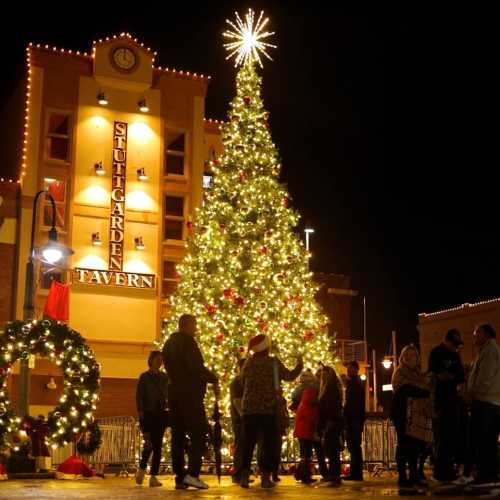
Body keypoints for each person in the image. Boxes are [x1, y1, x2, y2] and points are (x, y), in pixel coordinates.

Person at [162, 314, 219, 490]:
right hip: (190, 395)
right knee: (198, 433)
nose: (196, 329)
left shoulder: (168, 344)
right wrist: (213, 378)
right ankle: (192, 474)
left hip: (174, 394)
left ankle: (180, 477)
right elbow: (195, 367)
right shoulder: (187, 342)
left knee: (178, 437)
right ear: (187, 325)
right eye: (194, 325)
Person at [239, 334, 303, 489]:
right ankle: (265, 478)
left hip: (249, 410)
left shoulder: (248, 363)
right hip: (268, 410)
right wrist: (299, 365)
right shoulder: (273, 363)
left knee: (248, 444)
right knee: (267, 444)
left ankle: (244, 478)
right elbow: (289, 376)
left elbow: (241, 381)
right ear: (266, 347)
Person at [391, 345, 431, 491]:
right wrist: (424, 391)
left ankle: (414, 475)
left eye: (412, 355)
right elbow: (403, 390)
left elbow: (423, 388)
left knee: (414, 446)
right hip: (402, 413)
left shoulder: (418, 374)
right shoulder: (399, 372)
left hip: (416, 415)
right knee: (403, 445)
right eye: (406, 355)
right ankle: (402, 476)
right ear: (402, 357)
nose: (409, 357)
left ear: (417, 357)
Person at [428, 329, 465, 482]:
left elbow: (460, 376)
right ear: (446, 340)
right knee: (441, 437)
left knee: (451, 437)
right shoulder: (436, 353)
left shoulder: (455, 355)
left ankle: (448, 469)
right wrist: (449, 376)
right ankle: (440, 471)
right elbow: (435, 374)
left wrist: (448, 376)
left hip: (452, 400)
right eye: (453, 344)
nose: (455, 348)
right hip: (440, 401)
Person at [467, 324, 500, 487]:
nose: (474, 336)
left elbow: (484, 376)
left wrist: (472, 393)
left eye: (476, 333)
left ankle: (486, 475)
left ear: (485, 334)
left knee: (484, 439)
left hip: (485, 401)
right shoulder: (488, 350)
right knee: (487, 440)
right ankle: (489, 474)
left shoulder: (489, 351)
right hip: (488, 401)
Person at [135, 351, 169, 487]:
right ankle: (142, 469)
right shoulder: (144, 377)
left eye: (161, 360)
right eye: (157, 359)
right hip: (148, 414)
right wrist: (141, 411)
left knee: (158, 446)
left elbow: (167, 393)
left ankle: (154, 476)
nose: (159, 362)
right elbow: (139, 395)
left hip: (161, 414)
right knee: (149, 445)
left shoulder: (164, 377)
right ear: (151, 360)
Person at [292, 370, 320, 484]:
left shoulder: (303, 400)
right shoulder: (310, 403)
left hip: (301, 430)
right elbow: (311, 417)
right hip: (306, 430)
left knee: (304, 453)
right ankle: (304, 475)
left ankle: (302, 474)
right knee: (306, 454)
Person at [318, 366, 344, 486]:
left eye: (324, 373)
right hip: (332, 420)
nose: (322, 375)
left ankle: (334, 475)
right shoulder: (330, 386)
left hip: (331, 420)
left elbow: (328, 405)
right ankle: (334, 474)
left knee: (332, 449)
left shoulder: (330, 387)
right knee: (331, 449)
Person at [343, 360, 365, 481]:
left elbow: (352, 404)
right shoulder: (355, 383)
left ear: (356, 370)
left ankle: (356, 474)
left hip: (353, 419)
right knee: (355, 447)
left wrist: (346, 414)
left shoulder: (354, 383)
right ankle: (356, 473)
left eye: (350, 368)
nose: (348, 370)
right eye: (348, 368)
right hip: (355, 419)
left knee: (354, 447)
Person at [230, 358, 246, 484]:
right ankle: (237, 474)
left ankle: (241, 473)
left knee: (244, 446)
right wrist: (243, 415)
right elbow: (236, 401)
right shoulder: (237, 382)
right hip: (240, 419)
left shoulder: (244, 381)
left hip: (243, 417)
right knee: (240, 446)